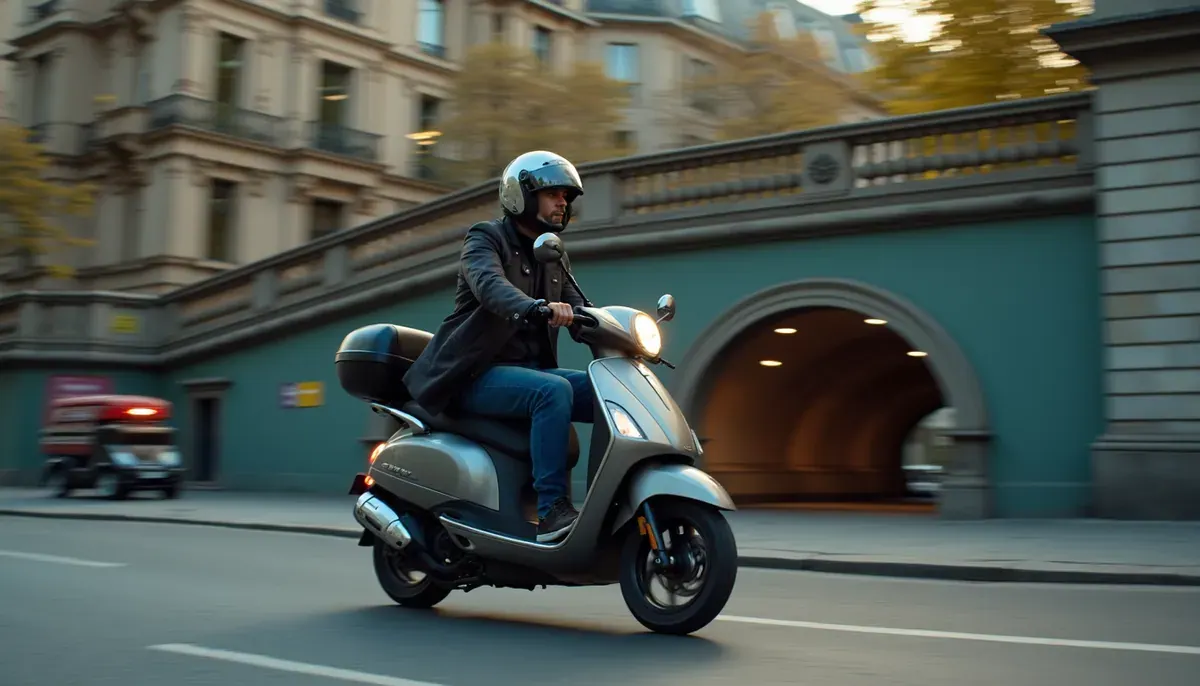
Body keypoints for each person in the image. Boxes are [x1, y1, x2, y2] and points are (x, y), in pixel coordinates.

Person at [403, 151, 594, 543]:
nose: (563, 202)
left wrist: (610, 326)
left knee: (608, 388)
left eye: (566, 196)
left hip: (528, 374)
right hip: (471, 376)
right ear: (521, 195)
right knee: (552, 391)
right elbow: (489, 285)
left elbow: (582, 307)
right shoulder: (485, 238)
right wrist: (533, 307)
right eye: (553, 193)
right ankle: (552, 511)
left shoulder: (552, 253)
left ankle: (611, 499)